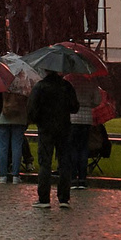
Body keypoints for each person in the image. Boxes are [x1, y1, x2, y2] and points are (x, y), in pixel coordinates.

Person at [29, 66, 78, 207]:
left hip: (46, 129)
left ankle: (44, 198)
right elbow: (75, 107)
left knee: (45, 162)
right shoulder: (66, 86)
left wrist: (38, 120)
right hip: (64, 128)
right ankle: (64, 198)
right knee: (64, 162)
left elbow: (32, 110)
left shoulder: (40, 87)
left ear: (45, 70)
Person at [0, 71, 31, 185]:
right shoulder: (24, 83)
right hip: (19, 117)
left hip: (3, 116)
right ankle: (15, 175)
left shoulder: (2, 80)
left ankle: (3, 175)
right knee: (17, 146)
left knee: (2, 147)